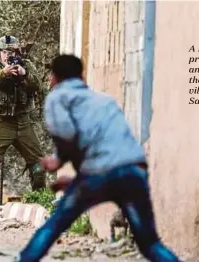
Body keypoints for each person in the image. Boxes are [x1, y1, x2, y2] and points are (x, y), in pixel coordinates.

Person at [15, 54, 181, 262]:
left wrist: (57, 162)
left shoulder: (57, 98)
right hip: (134, 172)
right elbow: (113, 155)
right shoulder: (105, 101)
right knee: (150, 244)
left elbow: (68, 136)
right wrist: (78, 181)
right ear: (82, 76)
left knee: (53, 228)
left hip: (97, 175)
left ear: (54, 78)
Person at [0, 35, 47, 218]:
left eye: (11, 52)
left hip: (23, 122)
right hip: (2, 122)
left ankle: (39, 201)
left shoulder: (26, 66)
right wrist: (4, 73)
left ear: (17, 52)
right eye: (4, 52)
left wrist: (23, 74)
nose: (8, 55)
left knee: (39, 167)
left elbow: (37, 85)